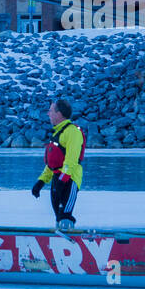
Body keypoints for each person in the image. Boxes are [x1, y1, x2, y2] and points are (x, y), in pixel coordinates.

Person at [31, 98, 85, 231]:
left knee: (65, 216)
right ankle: (58, 242)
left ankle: (70, 241)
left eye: (50, 111)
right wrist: (41, 182)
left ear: (59, 113)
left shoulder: (73, 132)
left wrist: (63, 180)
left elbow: (71, 161)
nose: (48, 114)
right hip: (57, 179)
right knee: (58, 217)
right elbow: (52, 163)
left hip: (69, 180)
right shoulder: (57, 133)